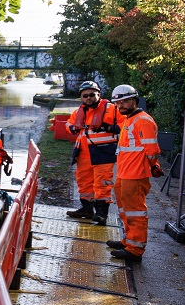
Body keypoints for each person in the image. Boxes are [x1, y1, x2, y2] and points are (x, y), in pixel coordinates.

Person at [108, 84, 162, 263]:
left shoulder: (143, 121)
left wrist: (153, 165)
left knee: (136, 212)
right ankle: (128, 240)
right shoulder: (129, 120)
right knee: (126, 210)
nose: (121, 105)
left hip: (135, 174)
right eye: (118, 103)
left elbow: (152, 150)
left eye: (125, 101)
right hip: (125, 173)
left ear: (135, 100)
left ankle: (135, 249)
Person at [66, 80, 120, 224]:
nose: (88, 98)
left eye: (91, 94)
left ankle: (101, 214)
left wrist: (108, 128)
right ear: (81, 97)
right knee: (84, 182)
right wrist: (71, 128)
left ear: (99, 94)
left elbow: (124, 125)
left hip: (103, 152)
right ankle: (87, 209)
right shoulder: (79, 111)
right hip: (83, 153)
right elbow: (69, 123)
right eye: (85, 96)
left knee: (102, 183)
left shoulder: (112, 109)